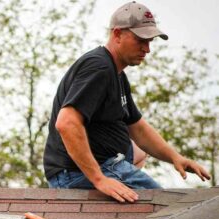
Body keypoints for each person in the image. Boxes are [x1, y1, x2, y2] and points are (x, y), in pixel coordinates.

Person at [43, 2, 210, 203]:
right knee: (167, 206)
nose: (147, 49)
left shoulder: (116, 73)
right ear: (117, 34)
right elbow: (66, 123)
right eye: (140, 40)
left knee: (138, 151)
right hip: (74, 175)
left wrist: (176, 158)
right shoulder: (99, 68)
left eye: (150, 41)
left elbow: (137, 128)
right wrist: (99, 179)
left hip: (107, 163)